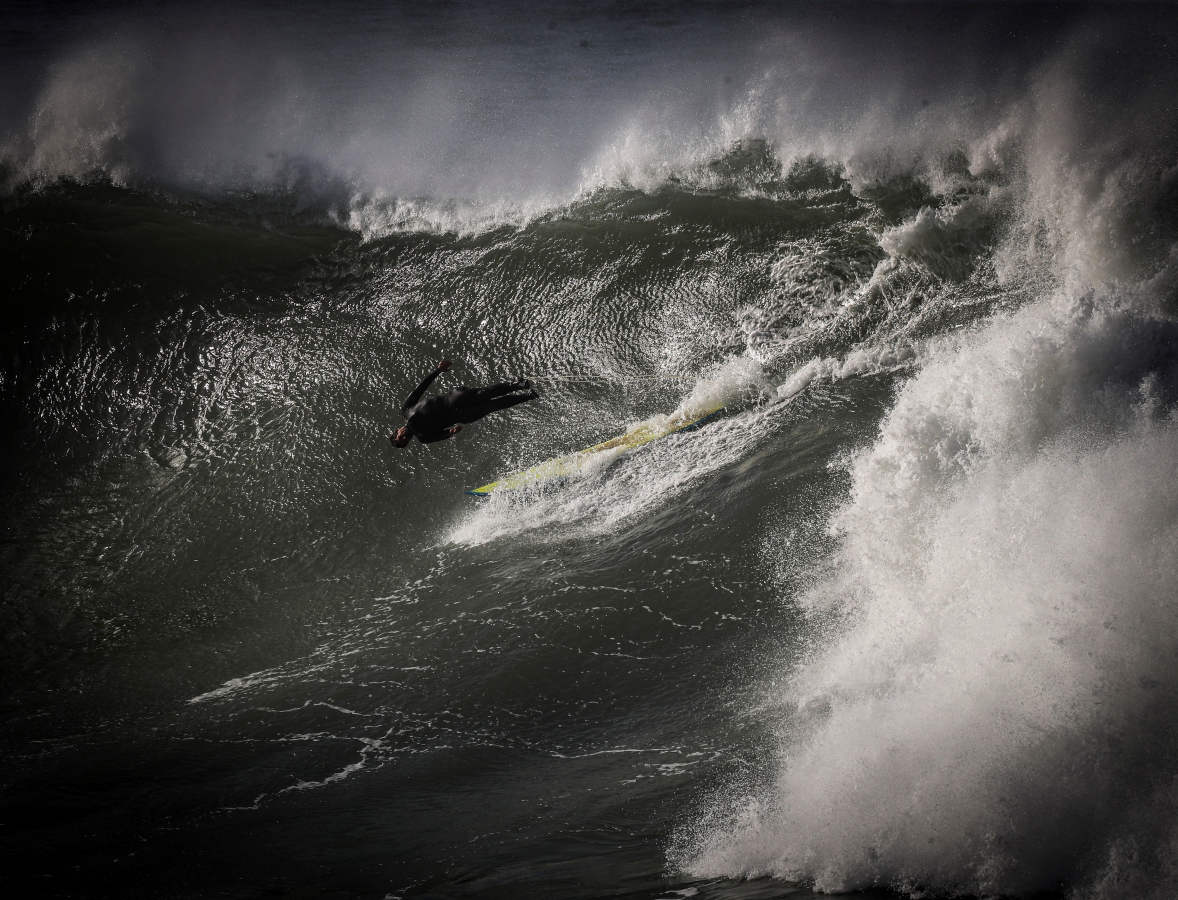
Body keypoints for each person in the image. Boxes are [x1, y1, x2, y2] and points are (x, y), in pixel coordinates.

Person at [390, 359, 538, 447]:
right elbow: (442, 435)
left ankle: (517, 385)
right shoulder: (423, 437)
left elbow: (420, 388)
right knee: (493, 405)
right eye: (405, 442)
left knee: (486, 393)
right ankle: (528, 396)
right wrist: (451, 432)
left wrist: (438, 370)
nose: (405, 438)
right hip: (464, 415)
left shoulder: (406, 410)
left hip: (456, 398)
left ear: (397, 431)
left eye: (400, 437)